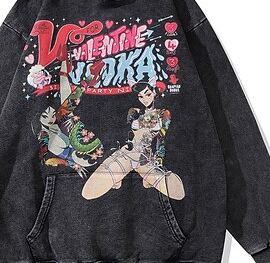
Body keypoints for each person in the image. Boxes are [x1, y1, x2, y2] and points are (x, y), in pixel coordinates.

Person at [81, 76, 185, 200]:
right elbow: (126, 132)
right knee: (89, 191)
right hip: (128, 153)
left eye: (148, 94)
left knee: (177, 192)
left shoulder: (163, 114)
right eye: (140, 96)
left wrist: (159, 159)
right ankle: (119, 176)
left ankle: (144, 178)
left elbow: (161, 138)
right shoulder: (133, 111)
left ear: (154, 92)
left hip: (146, 157)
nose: (144, 99)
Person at [36, 46, 105, 178]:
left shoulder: (59, 122)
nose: (51, 115)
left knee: (66, 108)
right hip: (86, 156)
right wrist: (75, 166)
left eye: (51, 113)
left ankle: (68, 69)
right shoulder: (49, 142)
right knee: (66, 111)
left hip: (92, 149)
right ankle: (82, 75)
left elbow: (70, 100)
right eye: (46, 115)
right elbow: (55, 159)